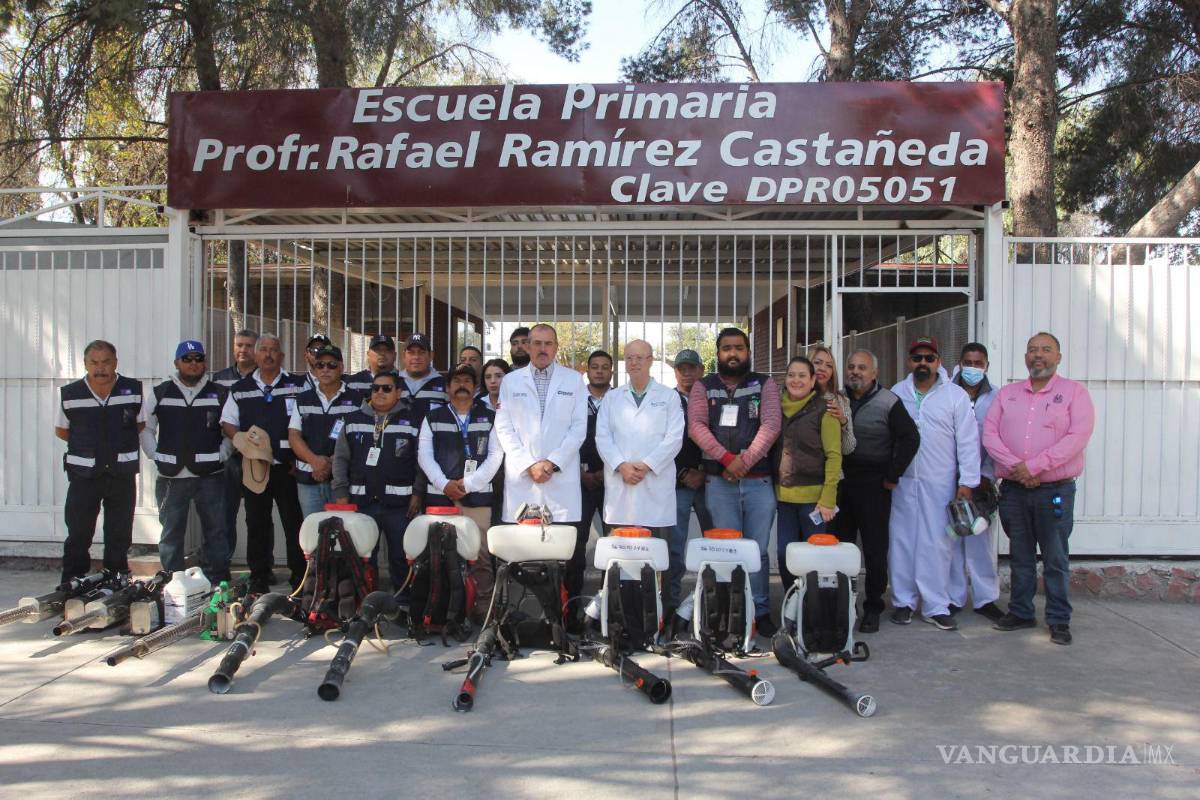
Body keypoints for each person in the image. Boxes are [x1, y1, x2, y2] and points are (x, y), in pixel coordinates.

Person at [983, 332, 1095, 646]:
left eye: (1046, 350)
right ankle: (1020, 611)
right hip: (1015, 491)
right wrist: (1018, 466)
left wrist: (1033, 467)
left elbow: (1077, 438)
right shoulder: (1008, 394)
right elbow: (990, 434)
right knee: (1019, 555)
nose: (1038, 355)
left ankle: (1059, 619)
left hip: (1054, 490)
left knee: (1055, 556)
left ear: (1058, 357)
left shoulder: (1074, 393)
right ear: (1025, 357)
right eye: (1032, 350)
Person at [687, 327, 782, 635]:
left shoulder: (764, 384)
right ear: (718, 353)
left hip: (758, 483)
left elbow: (771, 425)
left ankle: (761, 610)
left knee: (757, 550)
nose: (733, 353)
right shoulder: (704, 387)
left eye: (739, 348)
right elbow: (697, 427)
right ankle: (729, 612)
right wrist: (728, 460)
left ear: (748, 352)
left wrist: (745, 462)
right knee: (726, 550)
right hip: (720, 484)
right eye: (726, 348)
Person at [888, 336, 980, 632]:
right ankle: (903, 602)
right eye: (917, 358)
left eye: (929, 358)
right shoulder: (896, 393)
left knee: (937, 545)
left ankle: (935, 605)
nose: (923, 363)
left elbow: (968, 442)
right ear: (909, 362)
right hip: (902, 482)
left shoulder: (955, 396)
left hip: (939, 482)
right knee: (901, 541)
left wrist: (967, 482)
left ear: (939, 362)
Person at [837, 349, 920, 633]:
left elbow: (910, 438)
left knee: (874, 550)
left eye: (862, 367)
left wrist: (893, 474)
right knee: (841, 549)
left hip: (874, 485)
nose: (855, 372)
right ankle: (842, 606)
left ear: (874, 373)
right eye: (851, 367)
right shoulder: (837, 399)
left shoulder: (889, 402)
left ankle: (873, 607)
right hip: (841, 484)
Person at [594, 340, 684, 597]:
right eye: (629, 358)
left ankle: (659, 613)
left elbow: (674, 438)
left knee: (655, 557)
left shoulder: (668, 397)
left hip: (654, 487)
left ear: (650, 360)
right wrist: (621, 466)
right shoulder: (612, 398)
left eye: (639, 358)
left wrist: (646, 466)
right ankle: (619, 612)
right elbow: (602, 437)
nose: (634, 362)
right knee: (620, 557)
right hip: (621, 486)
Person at [220, 333, 306, 593]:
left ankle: (299, 578)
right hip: (255, 466)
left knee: (294, 523)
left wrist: (298, 457)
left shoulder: (298, 385)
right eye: (264, 350)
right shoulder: (241, 388)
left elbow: (308, 421)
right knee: (256, 522)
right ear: (256, 356)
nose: (268, 354)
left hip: (288, 467)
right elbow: (227, 422)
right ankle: (259, 577)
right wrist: (242, 441)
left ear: (281, 356)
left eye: (273, 350)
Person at [54, 340, 145, 584]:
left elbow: (140, 424)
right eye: (94, 363)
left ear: (115, 363)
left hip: (121, 474)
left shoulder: (133, 390)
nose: (100, 368)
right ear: (85, 364)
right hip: (84, 475)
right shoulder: (70, 394)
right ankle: (72, 581)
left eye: (106, 362)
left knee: (119, 532)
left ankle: (116, 580)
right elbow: (62, 431)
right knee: (79, 532)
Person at [418, 365, 504, 620]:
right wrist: (444, 483)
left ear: (476, 388)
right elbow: (424, 455)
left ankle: (484, 609)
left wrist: (468, 484)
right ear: (447, 388)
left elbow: (496, 455)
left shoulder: (491, 417)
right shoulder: (432, 417)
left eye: (468, 381)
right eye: (457, 381)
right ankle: (443, 609)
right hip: (440, 499)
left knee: (481, 557)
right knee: (439, 554)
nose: (462, 385)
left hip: (478, 498)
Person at [141, 340, 230, 582]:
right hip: (171, 477)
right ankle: (173, 582)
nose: (193, 363)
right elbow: (145, 429)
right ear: (177, 363)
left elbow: (231, 431)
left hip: (210, 475)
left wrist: (222, 455)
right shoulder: (161, 392)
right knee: (171, 533)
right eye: (187, 359)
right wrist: (155, 456)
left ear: (205, 362)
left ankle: (217, 580)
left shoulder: (220, 393)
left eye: (198, 358)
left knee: (216, 531)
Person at [331, 371, 423, 593]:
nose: (380, 392)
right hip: (361, 503)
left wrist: (418, 492)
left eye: (387, 388)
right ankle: (365, 602)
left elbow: (422, 461)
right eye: (376, 388)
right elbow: (340, 458)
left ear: (398, 392)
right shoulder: (352, 420)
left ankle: (402, 604)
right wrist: (341, 492)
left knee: (402, 556)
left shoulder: (412, 421)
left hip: (400, 506)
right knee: (363, 556)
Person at [493, 323, 588, 522]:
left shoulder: (574, 381)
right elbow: (504, 428)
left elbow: (579, 428)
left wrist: (552, 463)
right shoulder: (511, 381)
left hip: (560, 479)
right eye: (537, 343)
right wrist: (529, 465)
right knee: (522, 547)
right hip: (523, 477)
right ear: (528, 346)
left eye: (548, 344)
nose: (542, 349)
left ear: (556, 347)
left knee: (560, 547)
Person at [773, 356, 842, 592]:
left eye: (803, 375)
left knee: (814, 559)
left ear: (813, 380)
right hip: (784, 499)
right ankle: (792, 604)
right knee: (785, 555)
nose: (796, 380)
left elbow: (834, 456)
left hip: (815, 503)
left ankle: (812, 611)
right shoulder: (775, 409)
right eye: (791, 375)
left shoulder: (826, 410)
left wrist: (828, 498)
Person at [948, 343, 1004, 622]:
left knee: (981, 542)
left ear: (986, 366)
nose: (973, 367)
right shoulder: (946, 393)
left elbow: (998, 440)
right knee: (953, 539)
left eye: (978, 362)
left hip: (982, 482)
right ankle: (954, 597)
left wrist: (986, 476)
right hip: (948, 479)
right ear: (959, 363)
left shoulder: (996, 398)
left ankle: (985, 599)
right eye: (968, 361)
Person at [288, 344, 362, 518]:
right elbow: (294, 435)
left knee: (344, 536)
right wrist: (315, 461)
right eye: (320, 365)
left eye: (332, 365)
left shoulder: (357, 399)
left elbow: (360, 440)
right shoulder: (303, 399)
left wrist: (330, 464)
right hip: (308, 480)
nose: (325, 369)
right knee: (313, 536)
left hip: (343, 483)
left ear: (341, 367)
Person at [669, 349, 713, 610]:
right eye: (681, 368)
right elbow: (659, 442)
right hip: (678, 484)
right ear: (675, 371)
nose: (686, 373)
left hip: (711, 481)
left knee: (716, 544)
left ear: (701, 370)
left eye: (691, 368)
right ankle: (672, 604)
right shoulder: (665, 399)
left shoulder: (712, 398)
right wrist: (683, 473)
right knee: (675, 547)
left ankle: (710, 601)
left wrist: (706, 471)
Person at [213, 328, 257, 568]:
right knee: (225, 512)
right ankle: (224, 562)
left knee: (257, 516)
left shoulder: (263, 377)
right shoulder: (220, 379)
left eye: (249, 345)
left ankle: (261, 566)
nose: (243, 350)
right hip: (229, 454)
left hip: (257, 455)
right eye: (239, 345)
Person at [576, 349, 613, 598]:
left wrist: (604, 473)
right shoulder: (574, 399)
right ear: (587, 370)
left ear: (611, 371)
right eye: (595, 366)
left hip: (612, 480)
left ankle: (607, 601)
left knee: (613, 544)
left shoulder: (620, 399)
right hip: (578, 480)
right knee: (576, 544)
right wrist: (579, 473)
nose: (599, 370)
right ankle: (575, 604)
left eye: (604, 366)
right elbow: (565, 436)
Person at [808, 345, 857, 458]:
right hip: (798, 472)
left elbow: (848, 449)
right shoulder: (795, 395)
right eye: (817, 362)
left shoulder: (841, 401)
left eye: (829, 366)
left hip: (832, 473)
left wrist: (843, 421)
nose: (823, 368)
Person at [399, 333, 448, 419]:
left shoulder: (444, 385)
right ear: (403, 356)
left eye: (421, 352)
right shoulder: (393, 382)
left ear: (431, 355)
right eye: (411, 352)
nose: (416, 357)